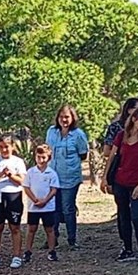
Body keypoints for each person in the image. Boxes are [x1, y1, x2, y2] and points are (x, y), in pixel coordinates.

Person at [109, 107, 138, 265]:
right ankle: (127, 247)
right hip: (120, 181)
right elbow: (112, 157)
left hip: (137, 182)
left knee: (137, 216)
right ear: (134, 119)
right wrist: (105, 178)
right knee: (123, 215)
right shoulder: (122, 135)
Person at [44, 105, 88, 249]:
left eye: (67, 117)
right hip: (52, 177)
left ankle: (72, 239)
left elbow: (83, 154)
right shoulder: (51, 132)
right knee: (53, 208)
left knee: (68, 209)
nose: (64, 120)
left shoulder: (78, 134)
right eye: (62, 116)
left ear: (72, 118)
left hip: (70, 177)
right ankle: (52, 238)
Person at [0, 134, 27, 269]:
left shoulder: (18, 162)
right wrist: (0, 174)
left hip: (13, 196)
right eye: (1, 147)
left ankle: (16, 256)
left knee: (14, 227)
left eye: (7, 147)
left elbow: (22, 181)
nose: (4, 150)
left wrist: (10, 175)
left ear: (12, 147)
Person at [22, 144, 60, 262]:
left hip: (48, 207)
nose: (41, 160)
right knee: (31, 229)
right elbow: (26, 187)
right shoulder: (30, 172)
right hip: (33, 207)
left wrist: (45, 200)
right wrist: (34, 200)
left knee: (49, 229)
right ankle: (27, 251)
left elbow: (54, 189)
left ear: (48, 158)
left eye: (43, 157)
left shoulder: (52, 173)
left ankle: (52, 251)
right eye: (38, 157)